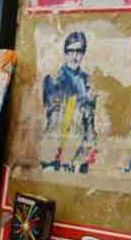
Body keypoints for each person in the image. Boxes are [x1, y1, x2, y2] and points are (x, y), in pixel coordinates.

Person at [41, 30, 96, 173]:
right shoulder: (53, 78)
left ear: (83, 53)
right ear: (65, 53)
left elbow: (90, 122)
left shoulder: (87, 81)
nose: (74, 55)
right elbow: (52, 115)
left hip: (79, 152)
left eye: (78, 51)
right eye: (70, 51)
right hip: (55, 149)